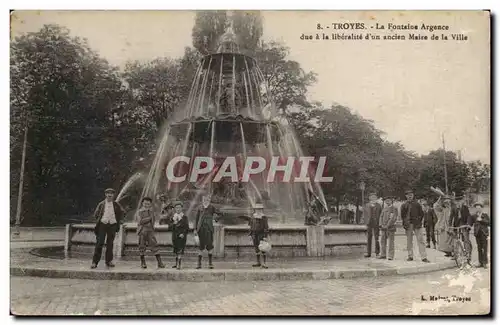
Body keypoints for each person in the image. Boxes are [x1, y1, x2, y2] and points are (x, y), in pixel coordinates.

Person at [91, 188, 125, 269]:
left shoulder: (116, 204)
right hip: (103, 225)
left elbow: (122, 212)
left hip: (112, 225)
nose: (109, 195)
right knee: (99, 243)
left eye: (111, 193)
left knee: (110, 244)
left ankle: (109, 261)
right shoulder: (101, 204)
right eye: (108, 193)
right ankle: (94, 262)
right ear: (105, 194)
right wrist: (101, 220)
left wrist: (119, 221)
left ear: (113, 195)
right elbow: (96, 214)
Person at [136, 197, 165, 269]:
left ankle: (160, 262)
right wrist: (149, 218)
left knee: (154, 245)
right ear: (142, 203)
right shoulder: (139, 212)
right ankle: (143, 263)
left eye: (148, 204)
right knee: (142, 246)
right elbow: (140, 221)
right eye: (145, 203)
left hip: (150, 231)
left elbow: (153, 221)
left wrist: (152, 228)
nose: (146, 205)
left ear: (150, 204)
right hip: (142, 230)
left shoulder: (152, 212)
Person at [401, 189, 429, 262]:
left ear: (413, 195)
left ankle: (424, 257)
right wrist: (405, 224)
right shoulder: (404, 205)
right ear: (406, 196)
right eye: (408, 195)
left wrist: (418, 221)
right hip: (408, 224)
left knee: (420, 240)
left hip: (417, 224)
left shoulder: (417, 204)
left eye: (411, 195)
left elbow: (421, 214)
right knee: (409, 241)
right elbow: (402, 216)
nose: (409, 196)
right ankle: (410, 256)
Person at [194, 193, 221, 269]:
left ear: (209, 200)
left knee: (209, 246)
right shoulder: (199, 208)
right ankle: (199, 264)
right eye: (204, 199)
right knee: (200, 246)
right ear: (202, 200)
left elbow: (220, 214)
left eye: (207, 199)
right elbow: (196, 219)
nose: (206, 201)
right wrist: (195, 229)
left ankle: (210, 263)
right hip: (200, 230)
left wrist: (215, 219)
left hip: (209, 230)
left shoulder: (212, 207)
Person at [249, 203, 270, 268]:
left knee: (263, 248)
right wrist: (250, 234)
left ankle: (264, 263)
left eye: (260, 209)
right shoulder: (253, 216)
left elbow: (266, 227)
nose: (258, 210)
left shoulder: (264, 217)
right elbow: (251, 226)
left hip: (261, 234)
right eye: (257, 209)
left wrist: (265, 236)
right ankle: (258, 262)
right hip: (254, 234)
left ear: (262, 209)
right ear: (255, 209)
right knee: (256, 248)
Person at [169, 201, 189, 270]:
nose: (178, 209)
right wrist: (174, 223)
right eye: (177, 208)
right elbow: (169, 228)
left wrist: (183, 234)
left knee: (180, 249)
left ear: (182, 208)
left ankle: (179, 264)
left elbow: (187, 228)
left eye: (179, 208)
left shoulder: (185, 217)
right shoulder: (172, 217)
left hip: (181, 236)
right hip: (174, 236)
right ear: (174, 209)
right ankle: (176, 262)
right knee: (176, 249)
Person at [470, 202, 490, 268]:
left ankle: (484, 263)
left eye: (479, 207)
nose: (478, 209)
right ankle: (480, 263)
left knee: (484, 248)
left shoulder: (485, 215)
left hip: (484, 234)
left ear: (481, 208)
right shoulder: (473, 216)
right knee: (479, 248)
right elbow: (470, 223)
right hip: (477, 234)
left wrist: (481, 220)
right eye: (476, 208)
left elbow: (489, 223)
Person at [378, 196, 398, 260]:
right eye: (386, 200)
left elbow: (393, 218)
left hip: (391, 227)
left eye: (389, 200)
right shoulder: (384, 208)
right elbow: (381, 216)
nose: (387, 202)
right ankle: (383, 255)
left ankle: (390, 256)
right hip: (383, 227)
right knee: (383, 241)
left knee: (391, 242)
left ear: (391, 201)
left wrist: (387, 225)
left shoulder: (394, 208)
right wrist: (381, 224)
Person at [363, 192, 382, 258]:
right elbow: (365, 215)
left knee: (376, 238)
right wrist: (365, 223)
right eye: (372, 197)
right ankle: (368, 253)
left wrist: (380, 223)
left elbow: (381, 215)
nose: (373, 198)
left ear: (376, 198)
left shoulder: (379, 205)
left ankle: (377, 253)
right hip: (369, 223)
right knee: (368, 238)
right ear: (369, 198)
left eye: (374, 197)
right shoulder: (367, 205)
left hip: (376, 223)